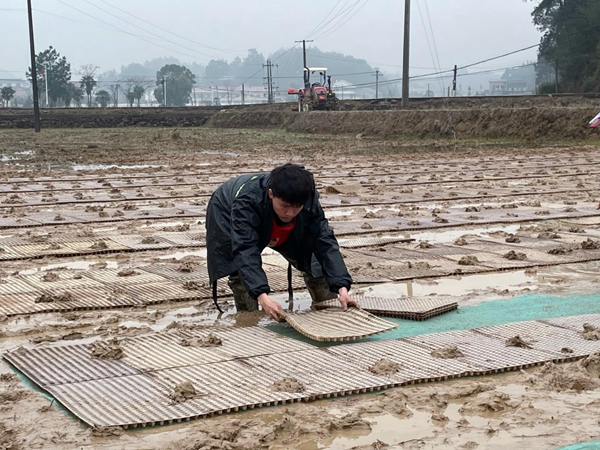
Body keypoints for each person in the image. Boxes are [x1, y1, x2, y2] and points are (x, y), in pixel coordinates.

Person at [206, 163, 357, 320]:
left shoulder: (307, 199)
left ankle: (328, 307)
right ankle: (249, 317)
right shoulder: (247, 202)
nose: (290, 213)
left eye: (296, 207)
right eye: (284, 206)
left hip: (281, 223)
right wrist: (263, 297)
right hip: (226, 208)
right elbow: (245, 250)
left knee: (315, 262)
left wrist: (342, 288)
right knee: (240, 273)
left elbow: (325, 242)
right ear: (271, 194)